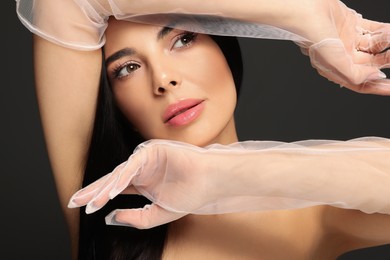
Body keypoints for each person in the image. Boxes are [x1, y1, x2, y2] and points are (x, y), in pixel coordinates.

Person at [14, 0, 390, 259]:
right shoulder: (97, 202)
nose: (163, 80)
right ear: (117, 106)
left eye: (182, 39)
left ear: (224, 48)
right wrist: (302, 13)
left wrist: (219, 175)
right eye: (127, 68)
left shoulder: (314, 212)